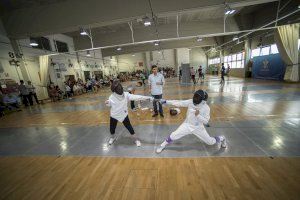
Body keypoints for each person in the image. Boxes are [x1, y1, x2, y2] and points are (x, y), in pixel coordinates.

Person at [156, 89, 226, 153]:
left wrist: (198, 115)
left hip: (198, 128)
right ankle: (162, 145)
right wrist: (166, 101)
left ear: (203, 101)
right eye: (195, 97)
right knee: (174, 135)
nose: (195, 100)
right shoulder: (190, 102)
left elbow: (206, 121)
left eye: (197, 99)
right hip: (187, 124)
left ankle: (222, 138)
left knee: (210, 142)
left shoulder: (206, 108)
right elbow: (179, 103)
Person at [105, 80, 153, 147]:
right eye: (118, 88)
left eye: (120, 87)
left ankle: (136, 140)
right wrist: (107, 103)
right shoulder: (111, 97)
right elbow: (109, 105)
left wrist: (149, 98)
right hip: (114, 115)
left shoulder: (126, 95)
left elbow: (137, 97)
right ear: (114, 90)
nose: (119, 89)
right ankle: (112, 138)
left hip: (123, 114)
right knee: (112, 128)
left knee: (129, 127)